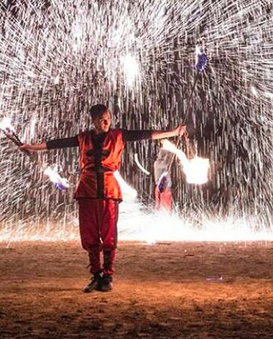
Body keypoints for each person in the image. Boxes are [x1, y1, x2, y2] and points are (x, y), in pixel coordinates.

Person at [19, 104, 185, 293]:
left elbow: (146, 134)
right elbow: (57, 143)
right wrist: (32, 148)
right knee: (89, 235)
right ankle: (96, 274)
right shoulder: (83, 138)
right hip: (87, 190)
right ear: (94, 121)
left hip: (108, 190)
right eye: (101, 120)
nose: (106, 122)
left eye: (108, 118)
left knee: (108, 234)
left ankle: (108, 275)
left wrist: (173, 132)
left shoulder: (119, 135)